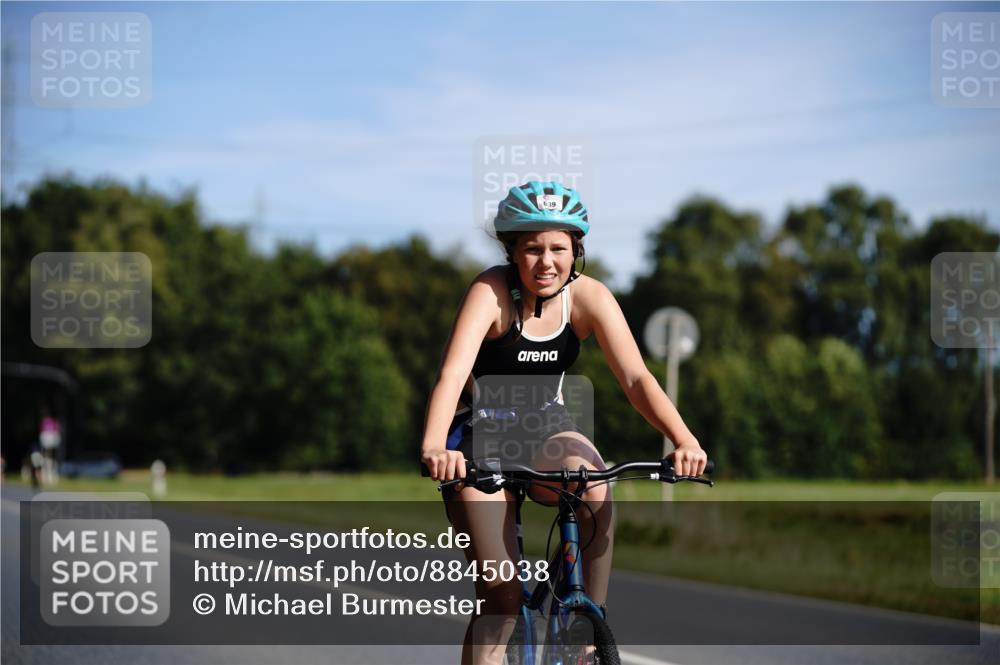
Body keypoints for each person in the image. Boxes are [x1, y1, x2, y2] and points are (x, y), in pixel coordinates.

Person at [420, 181, 706, 665]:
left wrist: (683, 439)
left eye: (559, 248)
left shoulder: (588, 297)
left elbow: (636, 377)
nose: (546, 262)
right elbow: (451, 373)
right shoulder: (490, 293)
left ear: (577, 250)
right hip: (478, 437)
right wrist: (434, 446)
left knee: (593, 484)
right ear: (512, 251)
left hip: (546, 430)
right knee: (501, 601)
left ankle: (587, 623)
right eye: (532, 249)